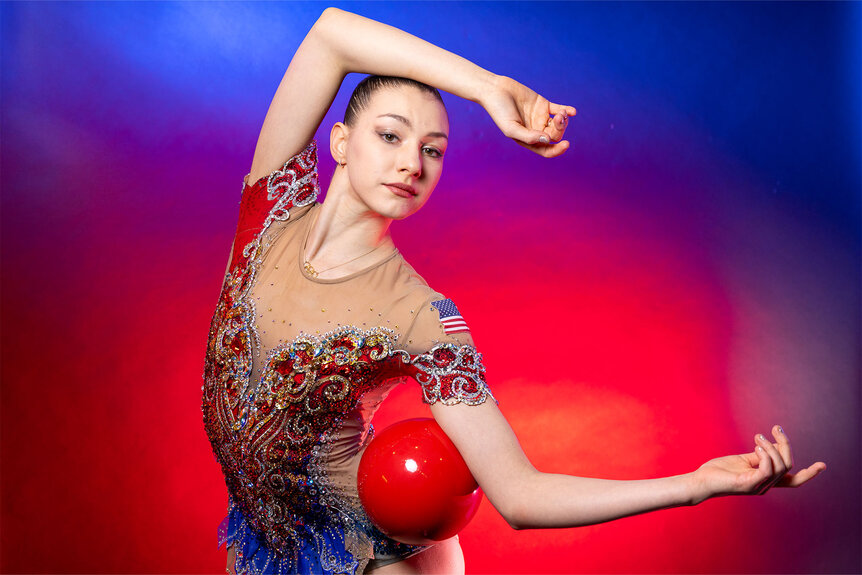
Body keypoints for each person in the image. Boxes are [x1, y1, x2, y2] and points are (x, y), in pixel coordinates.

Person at [201, 7, 826, 575]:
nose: (411, 164)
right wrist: (487, 89)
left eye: (433, 151)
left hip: (364, 560)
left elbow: (520, 495)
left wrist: (695, 484)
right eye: (390, 136)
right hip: (262, 548)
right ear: (340, 142)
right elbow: (331, 34)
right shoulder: (272, 210)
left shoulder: (418, 314)